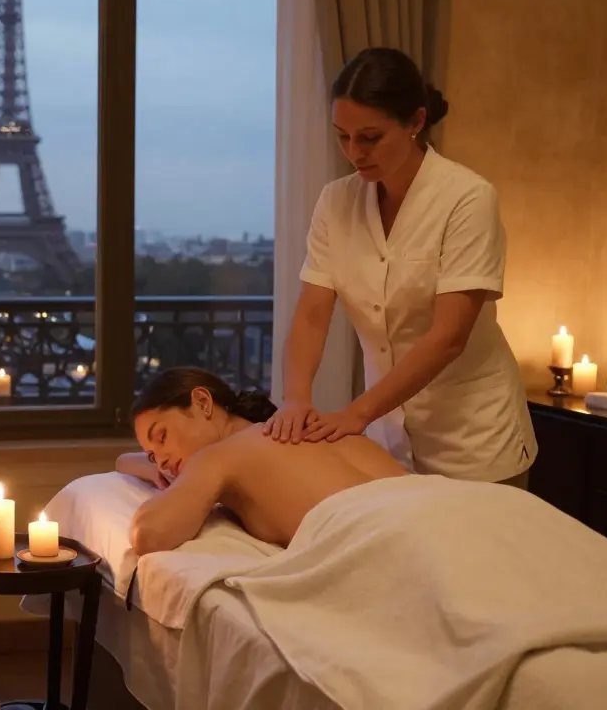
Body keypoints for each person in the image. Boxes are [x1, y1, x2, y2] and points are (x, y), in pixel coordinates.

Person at [264, 46, 535, 488]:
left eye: (370, 137)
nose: (354, 152)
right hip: (388, 441)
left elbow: (448, 337)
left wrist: (357, 413)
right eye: (343, 136)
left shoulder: (466, 198)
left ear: (415, 122)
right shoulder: (336, 202)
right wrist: (295, 399)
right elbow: (312, 315)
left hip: (473, 439)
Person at [118, 368, 408, 554]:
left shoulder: (217, 457)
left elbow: (148, 534)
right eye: (152, 455)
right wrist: (152, 465)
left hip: (391, 542)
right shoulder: (309, 429)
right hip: (429, 505)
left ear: (203, 402)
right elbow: (124, 461)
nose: (162, 462)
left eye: (162, 436)